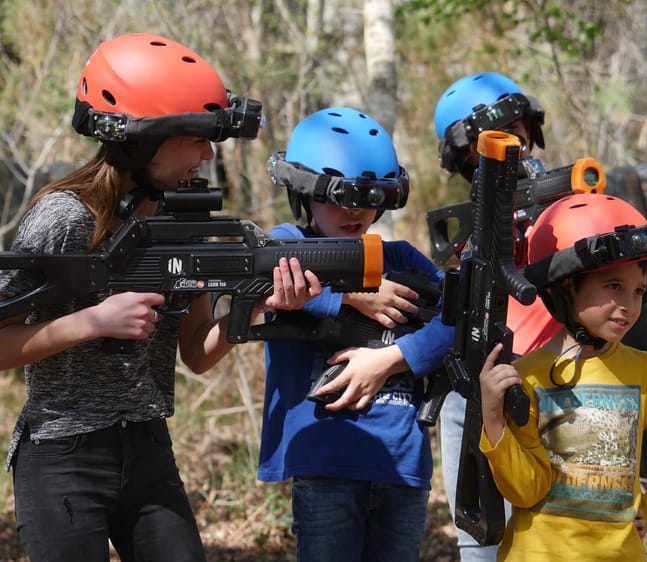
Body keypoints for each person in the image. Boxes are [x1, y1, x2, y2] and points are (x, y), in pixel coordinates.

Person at [0, 33, 321, 562]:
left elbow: (196, 353)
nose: (207, 153)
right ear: (138, 139)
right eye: (195, 137)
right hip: (62, 452)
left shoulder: (182, 219)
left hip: (149, 447)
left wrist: (258, 304)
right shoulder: (64, 217)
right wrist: (93, 321)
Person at [259, 106, 450, 562]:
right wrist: (352, 296)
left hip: (401, 462)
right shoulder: (284, 243)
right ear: (304, 192)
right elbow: (263, 276)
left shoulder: (402, 258)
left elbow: (459, 319)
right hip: (324, 460)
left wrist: (392, 359)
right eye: (339, 196)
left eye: (369, 197)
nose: (356, 210)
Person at [478, 193, 647, 561]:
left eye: (639, 291)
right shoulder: (525, 377)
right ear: (566, 287)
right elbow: (527, 491)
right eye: (613, 286)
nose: (628, 304)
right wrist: (492, 419)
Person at [432, 71, 560, 560]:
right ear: (464, 159)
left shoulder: (568, 204)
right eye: (480, 147)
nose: (514, 148)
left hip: (556, 387)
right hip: (478, 388)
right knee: (483, 537)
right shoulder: (468, 232)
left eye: (516, 132)